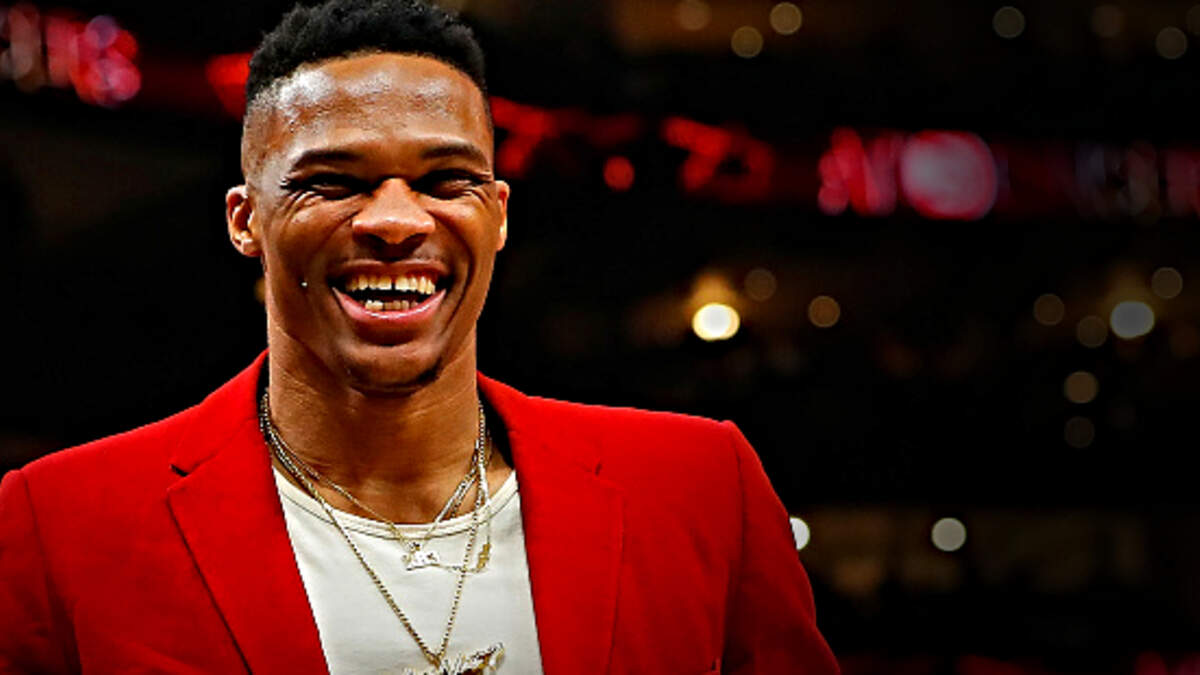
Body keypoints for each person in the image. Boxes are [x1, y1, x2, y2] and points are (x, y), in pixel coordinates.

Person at [0, 1, 839, 673]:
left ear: (498, 214)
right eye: (334, 181)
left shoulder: (700, 488)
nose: (398, 220)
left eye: (445, 179)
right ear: (246, 220)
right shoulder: (63, 525)